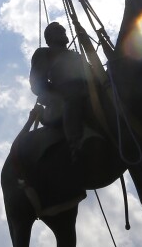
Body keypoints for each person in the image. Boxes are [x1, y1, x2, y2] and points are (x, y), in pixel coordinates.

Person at [29, 22, 95, 159]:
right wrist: (55, 94)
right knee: (73, 97)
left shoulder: (76, 55)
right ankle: (75, 144)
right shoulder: (44, 53)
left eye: (63, 30)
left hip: (88, 92)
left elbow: (93, 74)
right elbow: (36, 83)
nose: (63, 31)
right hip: (62, 100)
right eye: (58, 30)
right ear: (49, 38)